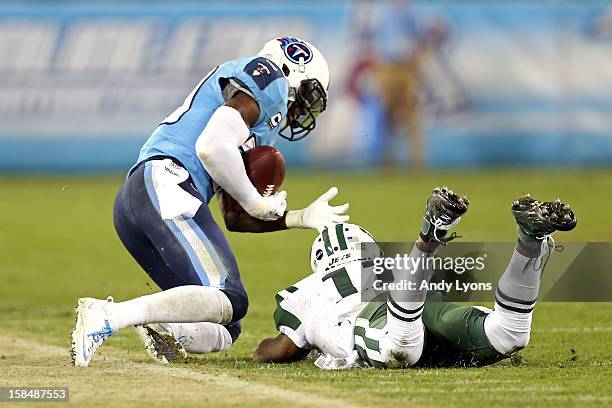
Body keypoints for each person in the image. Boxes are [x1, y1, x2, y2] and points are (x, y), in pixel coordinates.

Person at [70, 37, 350, 367]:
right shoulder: (271, 81)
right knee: (230, 296)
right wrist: (258, 202)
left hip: (141, 196)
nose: (303, 110)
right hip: (169, 184)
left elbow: (234, 217)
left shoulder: (256, 120)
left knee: (223, 324)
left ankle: (164, 325)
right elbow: (211, 147)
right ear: (291, 71)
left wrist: (297, 217)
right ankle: (109, 315)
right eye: (306, 96)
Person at [253, 188, 576, 369]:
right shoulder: (388, 261)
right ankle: (529, 244)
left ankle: (428, 238)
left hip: (377, 318)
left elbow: (279, 350)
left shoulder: (305, 290)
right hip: (422, 300)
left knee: (401, 350)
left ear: (319, 261)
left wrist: (269, 350)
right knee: (508, 334)